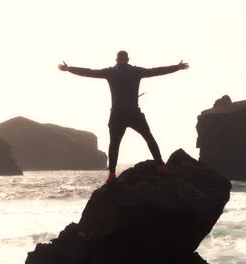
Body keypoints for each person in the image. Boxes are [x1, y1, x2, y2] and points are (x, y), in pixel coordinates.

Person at [58, 50, 189, 182]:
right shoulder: (136, 71)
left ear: (116, 59)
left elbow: (90, 72)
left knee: (114, 144)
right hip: (134, 113)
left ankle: (112, 173)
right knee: (149, 138)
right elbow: (156, 71)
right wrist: (177, 67)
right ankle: (160, 165)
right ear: (128, 59)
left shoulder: (110, 72)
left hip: (117, 115)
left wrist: (69, 69)